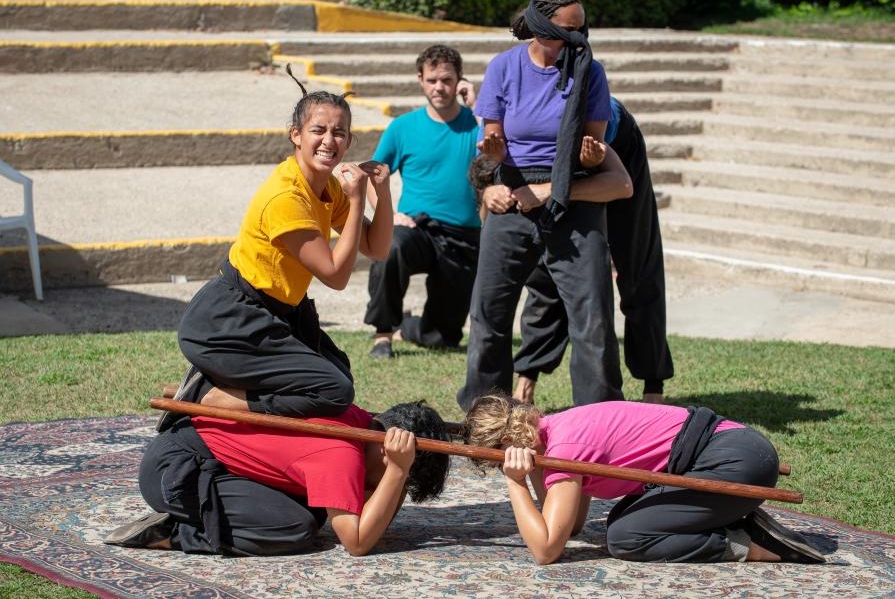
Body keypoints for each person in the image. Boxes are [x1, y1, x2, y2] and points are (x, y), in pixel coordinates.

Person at [156, 76, 393, 432]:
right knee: (334, 390)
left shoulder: (327, 185)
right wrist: (359, 199)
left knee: (338, 371)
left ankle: (228, 390)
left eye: (340, 132)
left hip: (280, 314)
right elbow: (336, 276)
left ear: (350, 140)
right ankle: (211, 397)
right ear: (296, 134)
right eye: (319, 130)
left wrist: (382, 191)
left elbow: (377, 247)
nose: (329, 141)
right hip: (228, 322)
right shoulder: (285, 198)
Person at [456, 0, 633, 412]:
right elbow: (491, 142)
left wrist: (588, 156)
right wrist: (493, 168)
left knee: (592, 319)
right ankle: (487, 413)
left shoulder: (591, 72)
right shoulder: (504, 67)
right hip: (515, 185)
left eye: (581, 30)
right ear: (541, 26)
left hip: (571, 189)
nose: (578, 39)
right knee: (488, 312)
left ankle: (600, 415)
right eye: (567, 30)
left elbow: (590, 142)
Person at [464, 394, 826, 565]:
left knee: (625, 537)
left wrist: (514, 482)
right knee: (622, 521)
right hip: (738, 449)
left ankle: (756, 545)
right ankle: (733, 518)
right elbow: (570, 525)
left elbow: (546, 549)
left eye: (495, 461)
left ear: (507, 444)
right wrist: (535, 471)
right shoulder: (558, 428)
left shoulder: (566, 447)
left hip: (735, 464)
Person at [104, 401, 450, 556]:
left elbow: (373, 507)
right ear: (389, 450)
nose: (393, 487)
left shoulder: (359, 419)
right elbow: (357, 543)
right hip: (175, 471)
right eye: (406, 482)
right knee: (294, 527)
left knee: (317, 511)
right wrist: (399, 470)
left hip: (195, 457)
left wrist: (396, 470)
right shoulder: (342, 453)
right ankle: (176, 533)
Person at [510, 96, 675, 405]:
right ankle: (526, 379)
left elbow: (620, 184)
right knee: (548, 270)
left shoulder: (589, 117)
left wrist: (551, 191)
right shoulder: (519, 108)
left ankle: (654, 388)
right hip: (557, 163)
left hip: (614, 152)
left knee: (637, 263)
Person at [364, 45, 481, 359]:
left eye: (446, 80)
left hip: (465, 237)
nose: (439, 87)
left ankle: (409, 326)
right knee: (391, 247)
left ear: (460, 81)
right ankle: (383, 335)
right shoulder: (403, 127)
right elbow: (373, 175)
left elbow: (503, 153)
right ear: (420, 79)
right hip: (416, 228)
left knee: (442, 339)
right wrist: (387, 216)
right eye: (432, 80)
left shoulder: (478, 124)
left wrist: (480, 107)